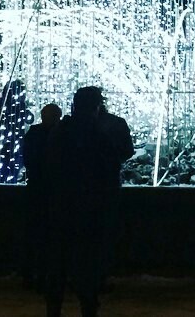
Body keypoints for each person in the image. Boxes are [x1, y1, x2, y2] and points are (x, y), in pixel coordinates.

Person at [45, 87, 133, 317]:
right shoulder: (99, 133)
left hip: (61, 207)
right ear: (96, 107)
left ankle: (54, 308)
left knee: (58, 265)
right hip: (90, 210)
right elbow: (112, 165)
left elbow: (49, 166)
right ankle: (88, 306)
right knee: (87, 265)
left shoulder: (61, 132)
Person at [22, 102, 62, 288]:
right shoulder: (59, 135)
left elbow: (29, 159)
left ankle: (35, 273)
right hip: (49, 189)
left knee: (37, 234)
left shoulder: (34, 133)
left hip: (38, 187)